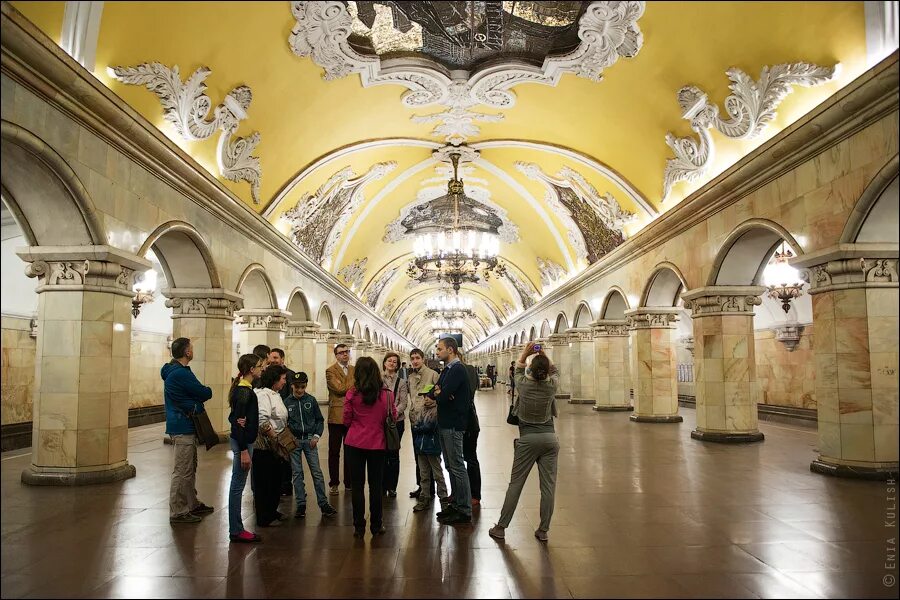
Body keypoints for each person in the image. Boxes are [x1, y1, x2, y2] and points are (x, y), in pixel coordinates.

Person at [489, 342, 560, 543]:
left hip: (527, 440)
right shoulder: (552, 386)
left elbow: (518, 370)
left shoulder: (523, 385)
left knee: (516, 484)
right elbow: (555, 371)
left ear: (531, 370)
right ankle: (543, 530)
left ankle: (501, 527)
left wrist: (525, 354)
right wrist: (543, 355)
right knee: (548, 487)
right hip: (550, 439)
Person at [162, 337, 215, 524]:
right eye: (191, 348)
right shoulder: (180, 374)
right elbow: (205, 392)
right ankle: (178, 511)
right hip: (182, 425)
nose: (193, 350)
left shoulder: (176, 371)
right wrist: (198, 397)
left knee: (189, 468)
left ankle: (192, 504)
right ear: (187, 352)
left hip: (184, 424)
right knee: (182, 470)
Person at [343, 357, 397, 538]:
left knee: (357, 486)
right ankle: (376, 525)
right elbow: (393, 416)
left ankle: (359, 527)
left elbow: (346, 419)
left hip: (354, 443)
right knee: (376, 486)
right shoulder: (387, 395)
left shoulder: (352, 394)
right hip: (377, 444)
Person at [430, 336, 473, 526]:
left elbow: (442, 394)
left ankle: (464, 509)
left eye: (439, 349)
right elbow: (435, 391)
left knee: (457, 465)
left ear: (450, 349)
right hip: (445, 422)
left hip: (454, 424)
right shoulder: (447, 369)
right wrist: (439, 393)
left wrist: (441, 394)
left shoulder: (457, 369)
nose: (437, 352)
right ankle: (455, 504)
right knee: (450, 465)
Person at [284, 371, 338, 518]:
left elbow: (319, 420)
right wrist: (290, 438)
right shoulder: (287, 402)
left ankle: (323, 503)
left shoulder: (311, 400)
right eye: (297, 387)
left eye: (302, 387)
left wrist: (316, 436)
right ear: (292, 386)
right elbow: (284, 423)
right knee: (297, 473)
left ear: (306, 386)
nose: (299, 390)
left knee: (317, 472)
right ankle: (301, 504)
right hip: (295, 442)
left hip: (310, 441)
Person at [228, 354, 264, 543]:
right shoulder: (244, 392)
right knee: (237, 486)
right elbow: (237, 423)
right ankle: (236, 530)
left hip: (244, 441)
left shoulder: (244, 389)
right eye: (259, 366)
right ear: (251, 369)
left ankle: (236, 528)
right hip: (242, 443)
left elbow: (234, 417)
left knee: (237, 485)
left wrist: (240, 420)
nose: (261, 369)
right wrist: (243, 450)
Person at [253, 364, 290, 527]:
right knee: (265, 482)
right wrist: (276, 439)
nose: (285, 382)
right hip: (265, 446)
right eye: (283, 379)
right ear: (275, 379)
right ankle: (264, 517)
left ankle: (272, 511)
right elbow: (262, 420)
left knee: (275, 480)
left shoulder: (275, 394)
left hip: (274, 443)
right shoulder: (263, 394)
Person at [408, 377, 448, 513]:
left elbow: (428, 427)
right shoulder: (422, 410)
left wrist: (418, 427)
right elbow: (416, 424)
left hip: (432, 448)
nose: (426, 399)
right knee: (424, 474)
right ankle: (424, 497)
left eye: (429, 396)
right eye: (424, 396)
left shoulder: (438, 411)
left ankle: (443, 499)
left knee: (438, 475)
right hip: (421, 447)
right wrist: (418, 427)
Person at [406, 348, 439, 500]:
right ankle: (422, 486)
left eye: (417, 358)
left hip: (429, 421)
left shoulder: (433, 375)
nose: (415, 361)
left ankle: (431, 488)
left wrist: (433, 404)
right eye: (412, 358)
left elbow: (439, 394)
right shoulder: (410, 377)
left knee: (430, 454)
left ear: (423, 359)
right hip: (415, 421)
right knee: (418, 454)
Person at [326, 343, 355, 495]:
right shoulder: (330, 370)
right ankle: (334, 483)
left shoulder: (354, 369)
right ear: (336, 355)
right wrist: (353, 384)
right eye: (341, 352)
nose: (345, 354)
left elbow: (347, 387)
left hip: (352, 416)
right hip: (336, 417)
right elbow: (338, 389)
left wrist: (345, 384)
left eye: (347, 351)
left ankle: (349, 482)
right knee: (334, 451)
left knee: (350, 451)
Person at [381, 352, 409, 498]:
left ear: (397, 365)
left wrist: (393, 414)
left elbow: (403, 402)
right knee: (381, 454)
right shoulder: (377, 379)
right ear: (384, 363)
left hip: (396, 422)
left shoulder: (402, 382)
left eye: (395, 362)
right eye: (389, 361)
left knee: (393, 453)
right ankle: (381, 485)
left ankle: (392, 486)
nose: (392, 363)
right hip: (379, 421)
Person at [268, 348, 295, 496]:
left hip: (285, 422)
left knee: (285, 455)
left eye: (276, 358)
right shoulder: (267, 375)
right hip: (271, 423)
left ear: (282, 359)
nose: (272, 361)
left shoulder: (290, 375)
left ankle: (286, 485)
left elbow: (291, 398)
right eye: (271, 358)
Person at [461, 356, 482, 508]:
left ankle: (474, 493)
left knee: (470, 458)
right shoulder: (451, 370)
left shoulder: (467, 370)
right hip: (458, 423)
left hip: (468, 423)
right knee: (457, 460)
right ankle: (460, 491)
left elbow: (468, 394)